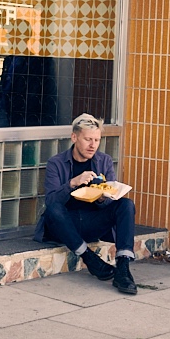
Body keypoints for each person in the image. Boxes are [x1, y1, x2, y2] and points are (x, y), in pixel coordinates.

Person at [34, 113, 138, 294]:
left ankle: (123, 268)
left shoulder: (103, 161)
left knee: (126, 205)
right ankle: (89, 259)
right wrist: (72, 183)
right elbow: (51, 202)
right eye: (88, 139)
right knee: (54, 209)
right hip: (65, 225)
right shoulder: (56, 163)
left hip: (92, 221)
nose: (93, 145)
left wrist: (102, 198)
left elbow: (111, 197)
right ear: (74, 137)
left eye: (97, 140)